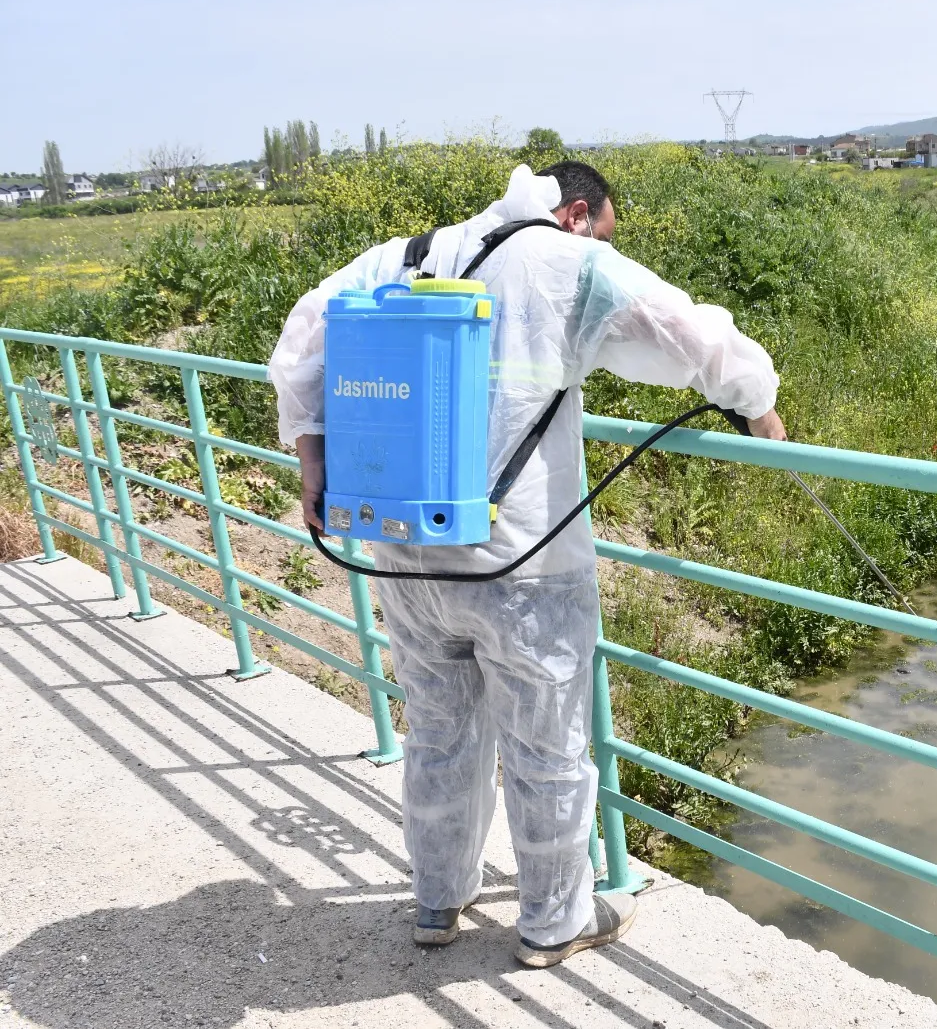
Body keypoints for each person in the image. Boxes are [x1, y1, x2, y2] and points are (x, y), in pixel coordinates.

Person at [268, 161, 786, 967]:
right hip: (524, 564)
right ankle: (554, 922)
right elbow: (687, 332)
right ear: (577, 213)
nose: (605, 243)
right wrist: (757, 400)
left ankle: (439, 899)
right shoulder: (566, 259)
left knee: (438, 736)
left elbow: (306, 332)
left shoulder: (410, 254)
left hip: (403, 551)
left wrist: (314, 465)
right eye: (607, 229)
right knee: (547, 750)